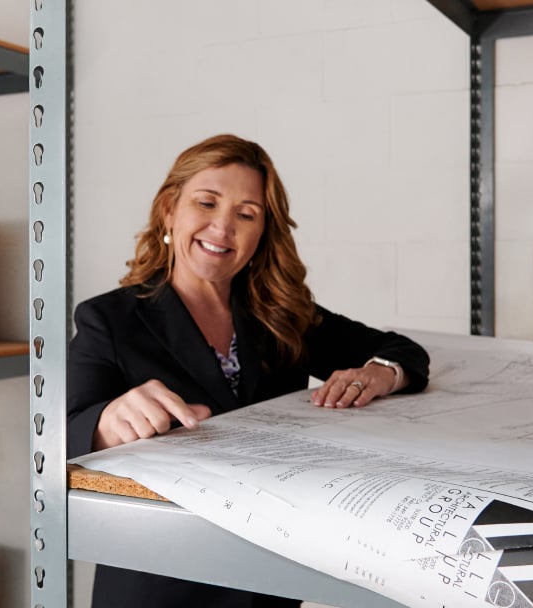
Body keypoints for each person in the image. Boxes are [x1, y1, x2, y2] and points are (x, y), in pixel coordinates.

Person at [67, 133, 430, 608]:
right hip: (160, 585)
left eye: (246, 214)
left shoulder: (281, 317)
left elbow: (403, 351)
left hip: (269, 581)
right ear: (168, 212)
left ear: (262, 234)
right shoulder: (108, 321)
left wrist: (382, 372)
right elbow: (59, 436)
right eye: (207, 203)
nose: (223, 227)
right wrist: (106, 424)